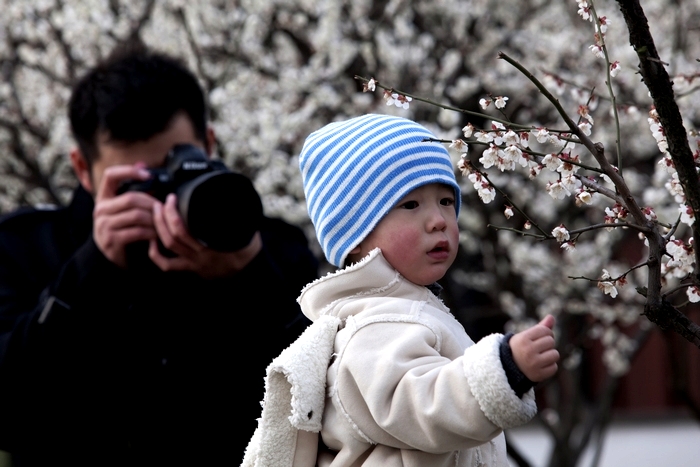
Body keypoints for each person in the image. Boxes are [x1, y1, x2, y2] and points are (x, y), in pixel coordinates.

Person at [0, 43, 317, 466]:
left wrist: (247, 277)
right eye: (138, 184)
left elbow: (319, 404)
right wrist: (91, 270)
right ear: (82, 169)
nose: (163, 199)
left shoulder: (269, 249)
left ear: (208, 144)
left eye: (174, 169)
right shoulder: (27, 249)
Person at [242, 114, 559, 466]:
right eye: (410, 205)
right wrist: (505, 370)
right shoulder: (376, 325)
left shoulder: (403, 310)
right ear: (356, 238)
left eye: (445, 201)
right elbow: (418, 405)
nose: (438, 219)